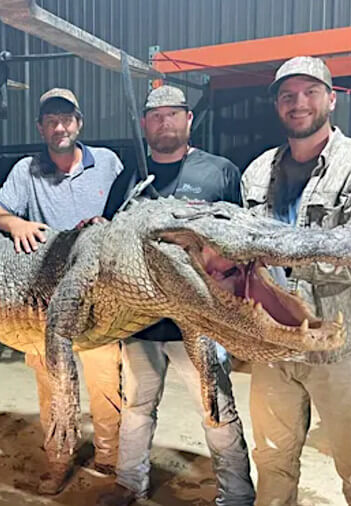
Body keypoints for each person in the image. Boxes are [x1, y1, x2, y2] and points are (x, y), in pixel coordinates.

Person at [242, 56, 351, 506]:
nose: (299, 103)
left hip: (342, 346)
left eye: (311, 92)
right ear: (278, 106)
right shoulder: (257, 172)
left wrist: (282, 252)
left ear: (331, 99)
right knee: (272, 460)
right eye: (288, 96)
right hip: (274, 341)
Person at [97, 85, 255, 506]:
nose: (164, 122)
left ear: (188, 119)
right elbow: (109, 236)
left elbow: (240, 244)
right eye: (155, 116)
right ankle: (130, 484)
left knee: (216, 407)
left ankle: (237, 495)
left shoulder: (218, 172)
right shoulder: (129, 178)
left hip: (198, 322)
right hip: (139, 321)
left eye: (172, 114)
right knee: (135, 406)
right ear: (145, 125)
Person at [0, 88, 124, 495]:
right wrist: (17, 225)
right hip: (43, 302)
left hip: (101, 297)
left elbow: (130, 208)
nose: (59, 127)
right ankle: (59, 459)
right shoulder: (27, 170)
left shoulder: (108, 164)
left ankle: (108, 457)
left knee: (105, 382)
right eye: (51, 121)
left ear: (79, 123)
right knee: (52, 385)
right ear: (41, 127)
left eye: (66, 119)